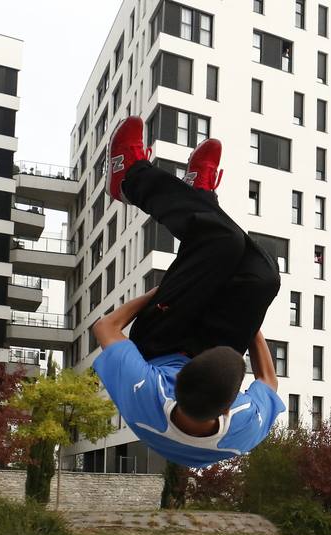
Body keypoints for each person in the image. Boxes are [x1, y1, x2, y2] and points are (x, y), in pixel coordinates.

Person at [91, 116, 285, 468]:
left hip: (157, 347)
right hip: (215, 345)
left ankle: (128, 179)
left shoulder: (144, 392)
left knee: (222, 242)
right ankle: (199, 197)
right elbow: (268, 380)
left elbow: (106, 328)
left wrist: (162, 290)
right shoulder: (245, 425)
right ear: (229, 406)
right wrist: (250, 317)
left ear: (175, 388)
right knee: (264, 279)